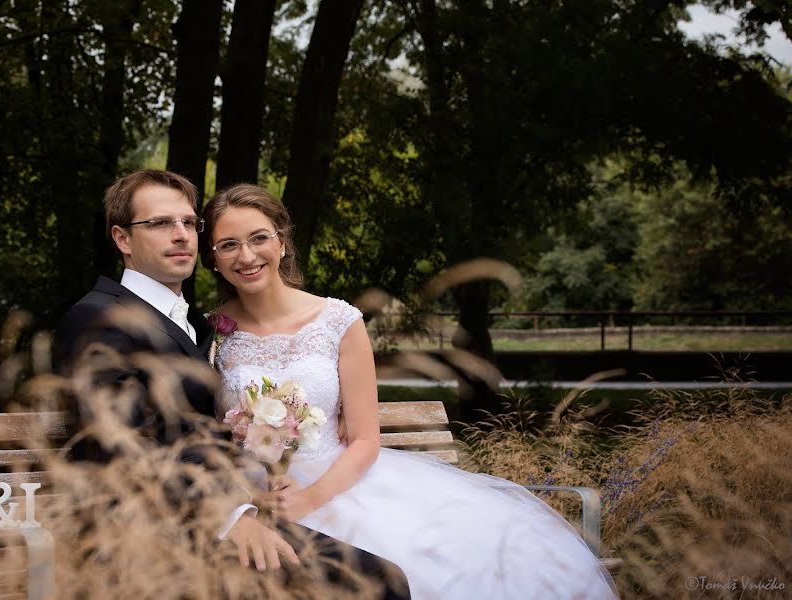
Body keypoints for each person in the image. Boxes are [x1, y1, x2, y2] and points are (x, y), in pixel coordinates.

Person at [203, 183, 620, 600]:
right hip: (253, 497)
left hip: (338, 484)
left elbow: (366, 438)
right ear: (214, 259)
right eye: (228, 245)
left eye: (259, 238)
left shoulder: (338, 320)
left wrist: (311, 498)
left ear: (281, 241)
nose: (247, 256)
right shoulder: (208, 333)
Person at [53, 170, 410, 598]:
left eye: (188, 223)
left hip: (233, 508)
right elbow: (122, 446)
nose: (181, 235)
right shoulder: (98, 318)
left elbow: (202, 432)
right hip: (160, 532)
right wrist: (232, 516)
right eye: (160, 224)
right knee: (378, 583)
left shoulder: (197, 325)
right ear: (123, 239)